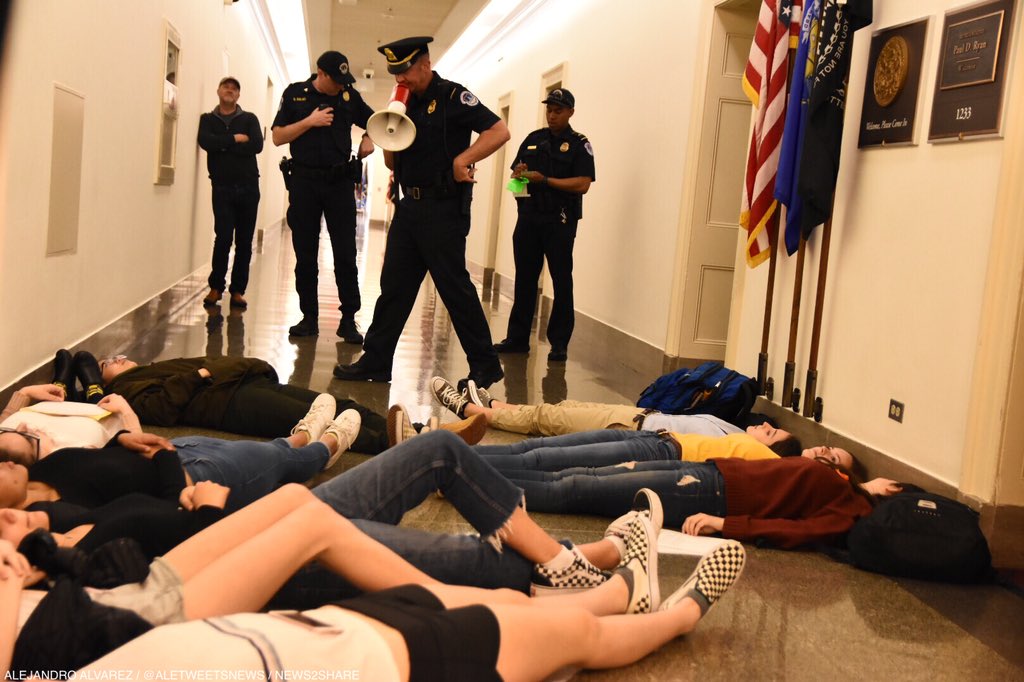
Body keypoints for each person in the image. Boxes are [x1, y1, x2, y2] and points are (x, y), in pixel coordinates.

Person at [1, 485, 748, 680]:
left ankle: (599, 580)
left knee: (305, 508)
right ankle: (649, 602)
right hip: (120, 625)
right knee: (557, 632)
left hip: (131, 600)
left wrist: (40, 549)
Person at [333, 36, 509, 389]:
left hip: (443, 208)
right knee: (394, 287)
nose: (401, 80)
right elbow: (391, 157)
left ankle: (486, 365)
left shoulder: (453, 97)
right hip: (409, 205)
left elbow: (499, 130)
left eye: (406, 72)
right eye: (395, 73)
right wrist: (388, 132)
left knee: (454, 288)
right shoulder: (403, 101)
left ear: (425, 65)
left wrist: (464, 159)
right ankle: (377, 360)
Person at [0, 401, 361, 512]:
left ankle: (297, 436)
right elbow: (156, 513)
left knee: (268, 452)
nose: (4, 463)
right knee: (284, 463)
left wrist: (123, 439)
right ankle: (326, 444)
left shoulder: (45, 467)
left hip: (177, 449)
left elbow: (96, 462)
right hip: (198, 478)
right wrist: (167, 461)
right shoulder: (61, 515)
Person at [429, 375, 811, 460]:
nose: (765, 425)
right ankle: (495, 405)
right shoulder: (736, 431)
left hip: (634, 429)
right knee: (565, 408)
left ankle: (470, 411)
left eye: (771, 433)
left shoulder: (741, 451)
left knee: (549, 420)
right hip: (641, 414)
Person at [271, 51, 374, 341]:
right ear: (321, 73)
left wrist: (368, 138)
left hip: (339, 183)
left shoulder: (349, 97)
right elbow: (278, 136)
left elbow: (376, 121)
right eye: (337, 80)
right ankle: (309, 318)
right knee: (305, 254)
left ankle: (349, 319)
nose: (342, 86)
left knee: (345, 253)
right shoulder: (295, 95)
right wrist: (309, 121)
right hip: (304, 182)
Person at [99, 352, 388, 454]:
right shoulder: (127, 390)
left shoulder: (148, 369)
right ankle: (390, 442)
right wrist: (201, 374)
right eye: (107, 363)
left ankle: (408, 429)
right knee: (315, 419)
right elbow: (162, 408)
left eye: (117, 355)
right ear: (105, 385)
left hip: (243, 384)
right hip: (229, 401)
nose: (118, 359)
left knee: (338, 404)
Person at [494, 88, 595, 362]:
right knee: (525, 279)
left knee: (562, 281)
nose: (552, 115)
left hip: (559, 221)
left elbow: (583, 183)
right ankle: (517, 338)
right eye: (549, 110)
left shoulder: (578, 144)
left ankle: (559, 343)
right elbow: (517, 169)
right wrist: (519, 173)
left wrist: (546, 180)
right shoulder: (533, 139)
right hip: (528, 219)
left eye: (558, 110)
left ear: (570, 112)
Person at [197, 76, 264, 310]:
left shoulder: (249, 119)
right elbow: (205, 141)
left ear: (238, 96)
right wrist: (235, 139)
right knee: (223, 238)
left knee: (244, 241)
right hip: (222, 187)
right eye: (226, 87)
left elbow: (256, 145)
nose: (230, 90)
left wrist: (222, 145)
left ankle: (237, 291)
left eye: (234, 88)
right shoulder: (207, 119)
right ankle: (216, 287)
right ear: (218, 91)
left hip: (248, 188)